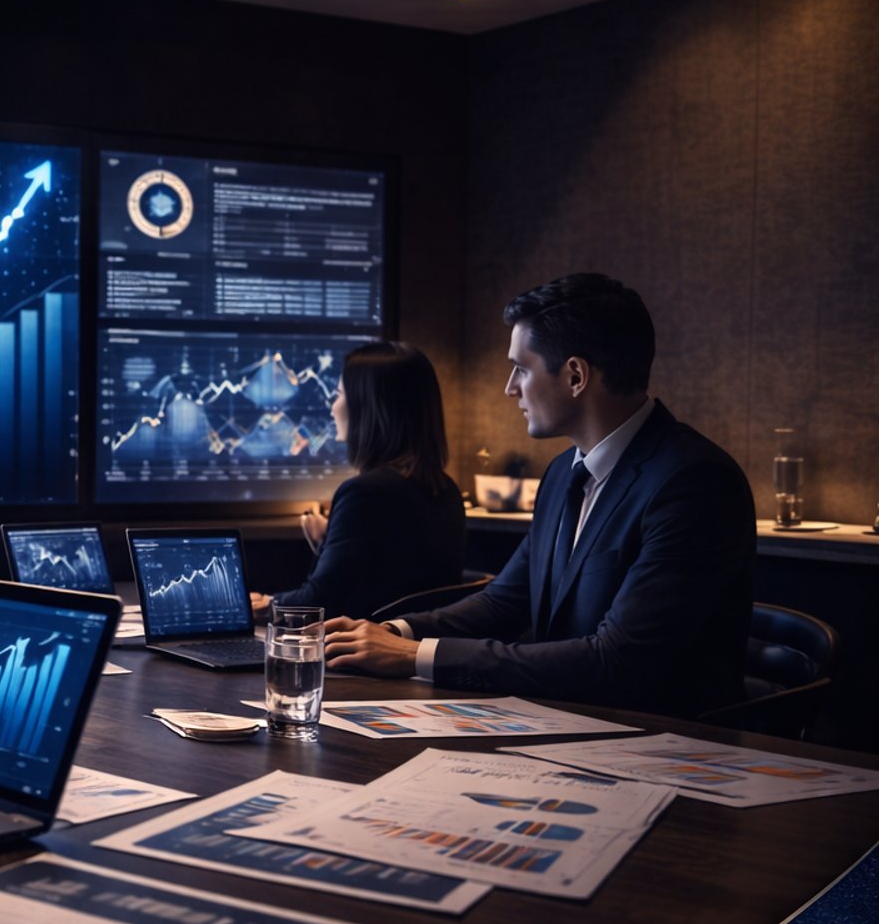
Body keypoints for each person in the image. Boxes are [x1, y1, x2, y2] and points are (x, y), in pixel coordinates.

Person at [322, 273, 754, 718]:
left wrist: (413, 657)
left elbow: (618, 662)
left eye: (522, 368)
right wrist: (393, 632)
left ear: (575, 376)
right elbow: (505, 601)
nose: (511, 387)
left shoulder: (694, 482)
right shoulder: (563, 471)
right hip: (568, 724)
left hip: (665, 743)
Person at [247, 342, 465, 621]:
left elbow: (317, 604)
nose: (333, 406)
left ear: (368, 408)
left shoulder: (363, 494)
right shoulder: (447, 489)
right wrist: (332, 539)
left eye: (338, 394)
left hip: (356, 656)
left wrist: (268, 603)